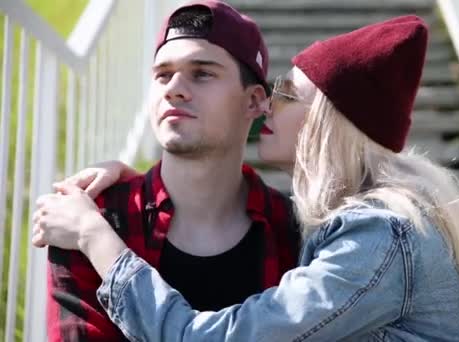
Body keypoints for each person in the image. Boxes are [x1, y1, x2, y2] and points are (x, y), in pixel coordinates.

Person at [34, 15, 459, 341]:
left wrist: (95, 235)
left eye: (288, 92)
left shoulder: (377, 237)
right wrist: (133, 182)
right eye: (162, 76)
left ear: (328, 121)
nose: (270, 103)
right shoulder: (377, 222)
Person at [40, 2, 300, 341]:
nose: (173, 88)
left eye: (202, 73)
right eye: (162, 74)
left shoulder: (294, 229)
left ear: (253, 102)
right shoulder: (94, 218)